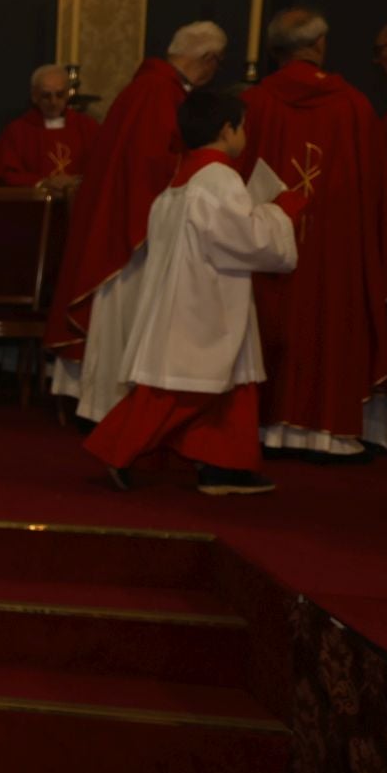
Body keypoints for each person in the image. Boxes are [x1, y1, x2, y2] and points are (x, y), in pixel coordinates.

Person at [85, 90, 303, 494]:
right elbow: (246, 239)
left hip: (197, 295)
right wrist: (279, 212)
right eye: (244, 126)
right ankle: (114, 448)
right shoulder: (219, 178)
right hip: (203, 303)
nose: (246, 135)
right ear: (226, 129)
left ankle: (226, 466)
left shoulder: (182, 181)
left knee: (231, 385)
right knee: (180, 388)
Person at [45, 21, 227, 422]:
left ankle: (105, 406)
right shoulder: (160, 93)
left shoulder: (149, 88)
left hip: (124, 225)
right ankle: (111, 408)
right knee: (125, 319)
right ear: (208, 60)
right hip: (136, 236)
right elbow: (155, 165)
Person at [238, 8, 387, 460]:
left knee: (274, 319)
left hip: (270, 247)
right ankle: (328, 431)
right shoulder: (355, 107)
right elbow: (376, 196)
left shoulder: (255, 104)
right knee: (330, 321)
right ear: (320, 45)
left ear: (274, 51)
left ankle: (267, 424)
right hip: (337, 251)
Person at [0, 63, 99, 194]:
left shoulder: (87, 127)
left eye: (59, 94)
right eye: (46, 96)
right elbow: (8, 174)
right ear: (34, 96)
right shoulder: (17, 131)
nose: (53, 102)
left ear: (68, 94)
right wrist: (43, 182)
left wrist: (76, 181)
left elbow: (101, 168)